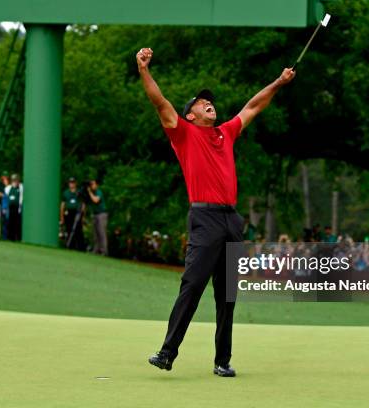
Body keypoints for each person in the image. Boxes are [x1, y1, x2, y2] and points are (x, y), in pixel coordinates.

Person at [137, 47, 295, 376]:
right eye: (201, 102)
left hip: (231, 219)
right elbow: (159, 101)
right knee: (193, 285)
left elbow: (253, 106)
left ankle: (222, 361)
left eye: (209, 101)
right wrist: (143, 70)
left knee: (227, 294)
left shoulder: (225, 132)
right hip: (205, 218)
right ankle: (167, 353)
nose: (209, 103)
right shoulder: (182, 132)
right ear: (191, 114)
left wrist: (278, 83)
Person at [60, 177, 85, 250]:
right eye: (70, 183)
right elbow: (62, 205)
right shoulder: (66, 193)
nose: (71, 184)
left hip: (77, 212)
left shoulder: (79, 192)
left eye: (73, 183)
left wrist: (83, 215)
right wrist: (62, 217)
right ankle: (70, 246)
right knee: (69, 229)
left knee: (78, 230)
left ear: (75, 183)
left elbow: (83, 204)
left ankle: (81, 247)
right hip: (69, 212)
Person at [87, 179, 108, 255]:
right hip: (95, 214)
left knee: (101, 232)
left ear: (96, 185)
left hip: (102, 214)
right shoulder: (91, 193)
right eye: (91, 184)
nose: (91, 186)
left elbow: (96, 200)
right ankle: (95, 250)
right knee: (95, 233)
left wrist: (89, 192)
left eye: (93, 184)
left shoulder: (99, 192)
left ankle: (104, 251)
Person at [5, 173, 23, 241]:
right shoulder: (8, 188)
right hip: (10, 207)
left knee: (17, 223)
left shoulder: (21, 187)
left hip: (18, 207)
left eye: (16, 180)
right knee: (10, 222)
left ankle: (17, 237)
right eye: (14, 180)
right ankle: (10, 237)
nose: (15, 182)